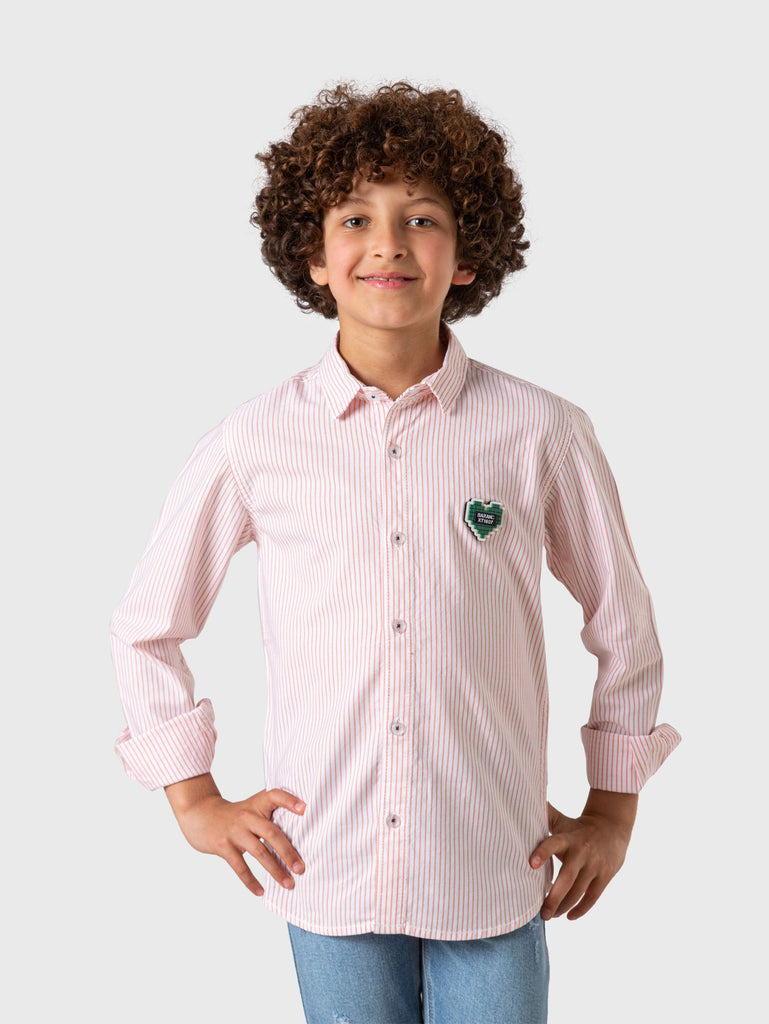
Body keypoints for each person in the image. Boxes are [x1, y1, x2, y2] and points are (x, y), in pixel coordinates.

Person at [110, 81, 681, 1023]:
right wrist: (193, 799)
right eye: (354, 219)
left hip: (492, 862)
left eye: (421, 218)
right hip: (325, 866)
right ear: (312, 255)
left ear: (467, 254)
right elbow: (146, 627)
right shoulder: (255, 440)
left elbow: (624, 626)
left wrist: (613, 810)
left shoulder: (539, 430)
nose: (387, 244)